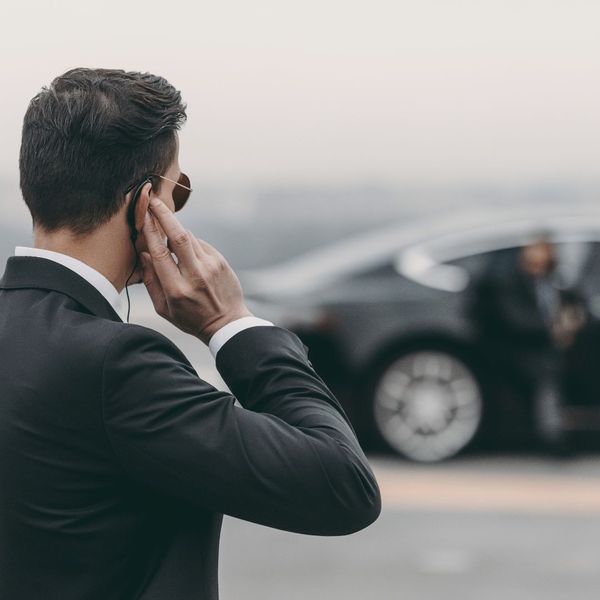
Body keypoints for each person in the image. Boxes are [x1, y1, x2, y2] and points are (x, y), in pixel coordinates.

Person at [0, 68, 381, 600]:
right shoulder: (116, 365)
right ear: (144, 206)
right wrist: (232, 325)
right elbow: (342, 488)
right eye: (178, 189)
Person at [467, 233, 585, 451]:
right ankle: (552, 435)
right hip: (521, 349)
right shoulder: (509, 280)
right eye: (534, 249)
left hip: (551, 348)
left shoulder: (554, 281)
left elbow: (575, 304)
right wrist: (555, 329)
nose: (538, 255)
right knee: (547, 372)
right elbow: (516, 320)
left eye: (543, 249)